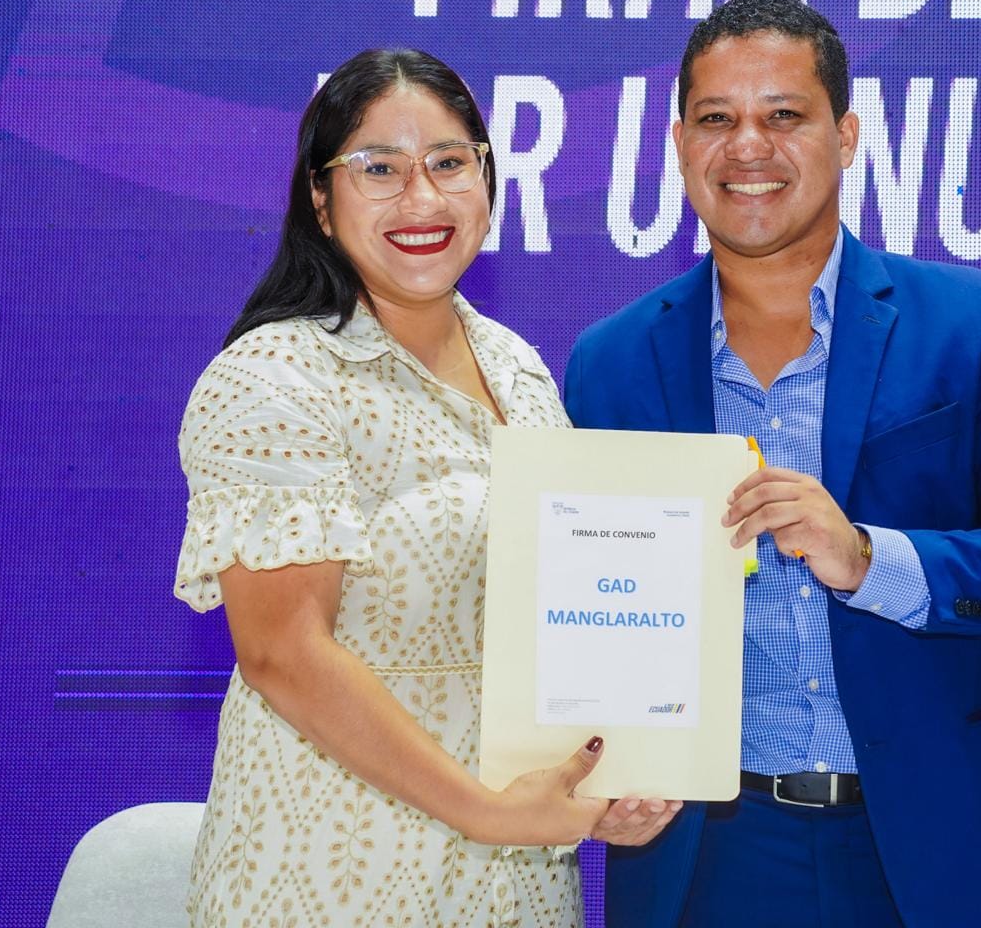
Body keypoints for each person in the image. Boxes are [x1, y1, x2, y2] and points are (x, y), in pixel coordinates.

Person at [564, 0, 981, 928]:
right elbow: (582, 617)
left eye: (784, 114)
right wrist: (595, 766)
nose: (748, 146)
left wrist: (870, 559)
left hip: (948, 845)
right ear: (680, 143)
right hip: (710, 857)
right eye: (717, 119)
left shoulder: (971, 324)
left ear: (846, 134)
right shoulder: (610, 362)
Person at [174, 48, 677, 928]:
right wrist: (486, 811)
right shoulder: (274, 377)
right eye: (380, 169)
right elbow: (284, 653)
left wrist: (610, 775)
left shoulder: (518, 368)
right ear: (321, 199)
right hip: (333, 879)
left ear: (486, 179)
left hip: (518, 888)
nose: (422, 199)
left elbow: (568, 620)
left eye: (449, 163)